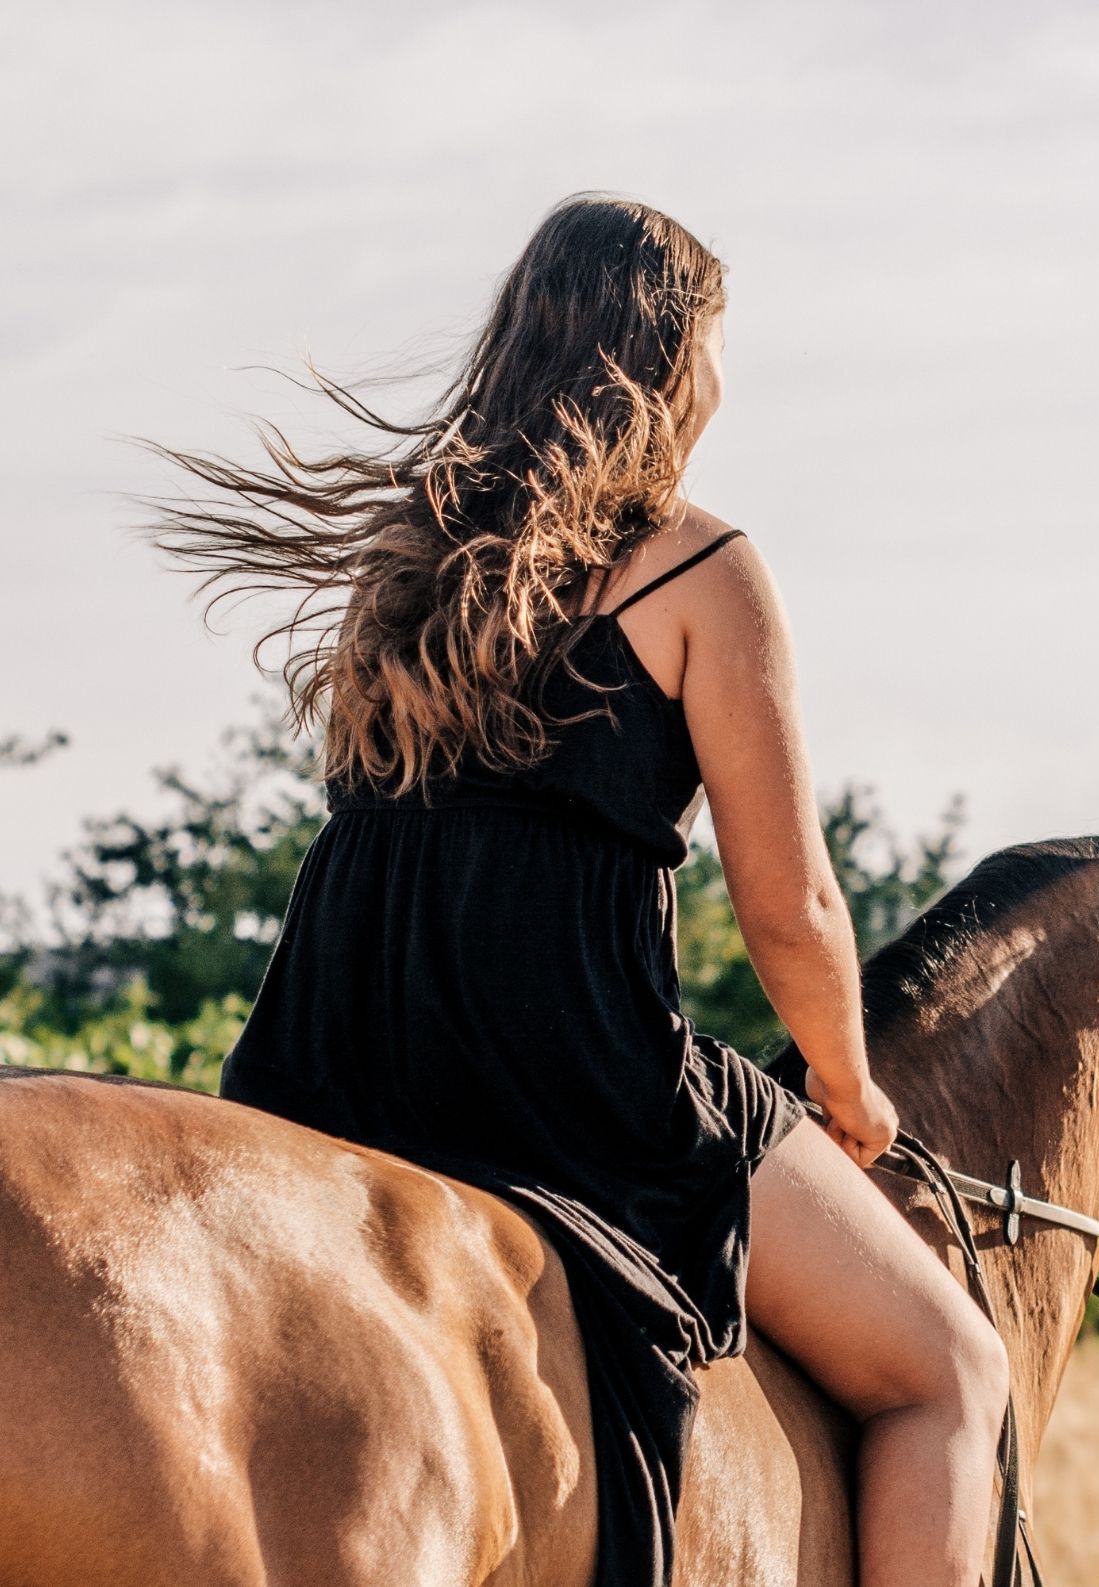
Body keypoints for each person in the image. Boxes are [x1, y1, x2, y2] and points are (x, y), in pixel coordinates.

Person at [151, 193, 1011, 1587]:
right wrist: (850, 1091)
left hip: (342, 1047)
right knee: (949, 1373)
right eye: (717, 347)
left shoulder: (408, 558)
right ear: (673, 355)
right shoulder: (700, 565)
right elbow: (791, 907)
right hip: (565, 1069)